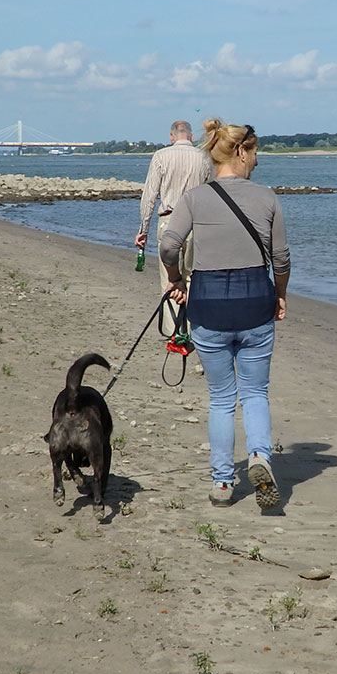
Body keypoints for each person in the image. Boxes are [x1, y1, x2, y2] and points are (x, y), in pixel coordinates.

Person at [160, 120, 290, 510]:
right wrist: (280, 295)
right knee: (254, 392)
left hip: (209, 305)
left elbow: (169, 246)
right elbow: (281, 259)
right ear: (240, 152)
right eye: (255, 154)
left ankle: (221, 483)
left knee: (220, 398)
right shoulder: (267, 197)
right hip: (255, 302)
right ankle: (260, 457)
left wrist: (176, 278)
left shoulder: (195, 198)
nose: (256, 162)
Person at [134, 120, 213, 295]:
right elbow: (211, 195)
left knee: (170, 283)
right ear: (191, 137)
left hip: (169, 221)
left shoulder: (161, 156)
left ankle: (172, 322)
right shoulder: (204, 157)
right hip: (195, 223)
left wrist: (143, 230)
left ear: (171, 137)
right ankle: (193, 321)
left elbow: (149, 197)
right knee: (193, 279)